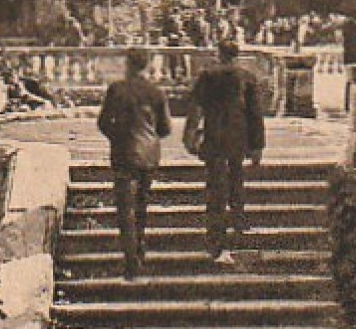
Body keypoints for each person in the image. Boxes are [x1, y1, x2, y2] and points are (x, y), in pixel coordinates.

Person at [184, 40, 266, 264]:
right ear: (236, 55)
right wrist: (258, 146)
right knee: (236, 183)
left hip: (215, 138)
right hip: (238, 139)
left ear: (219, 54)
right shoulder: (247, 78)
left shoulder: (207, 76)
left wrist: (190, 135)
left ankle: (215, 239)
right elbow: (255, 115)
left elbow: (196, 108)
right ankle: (238, 230)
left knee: (214, 187)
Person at [96, 48, 172, 278]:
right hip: (148, 156)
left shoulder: (116, 90)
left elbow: (103, 122)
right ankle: (140, 247)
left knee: (124, 208)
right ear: (147, 65)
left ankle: (131, 259)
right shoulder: (156, 92)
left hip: (123, 154)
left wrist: (117, 137)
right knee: (141, 205)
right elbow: (165, 129)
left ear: (128, 64)